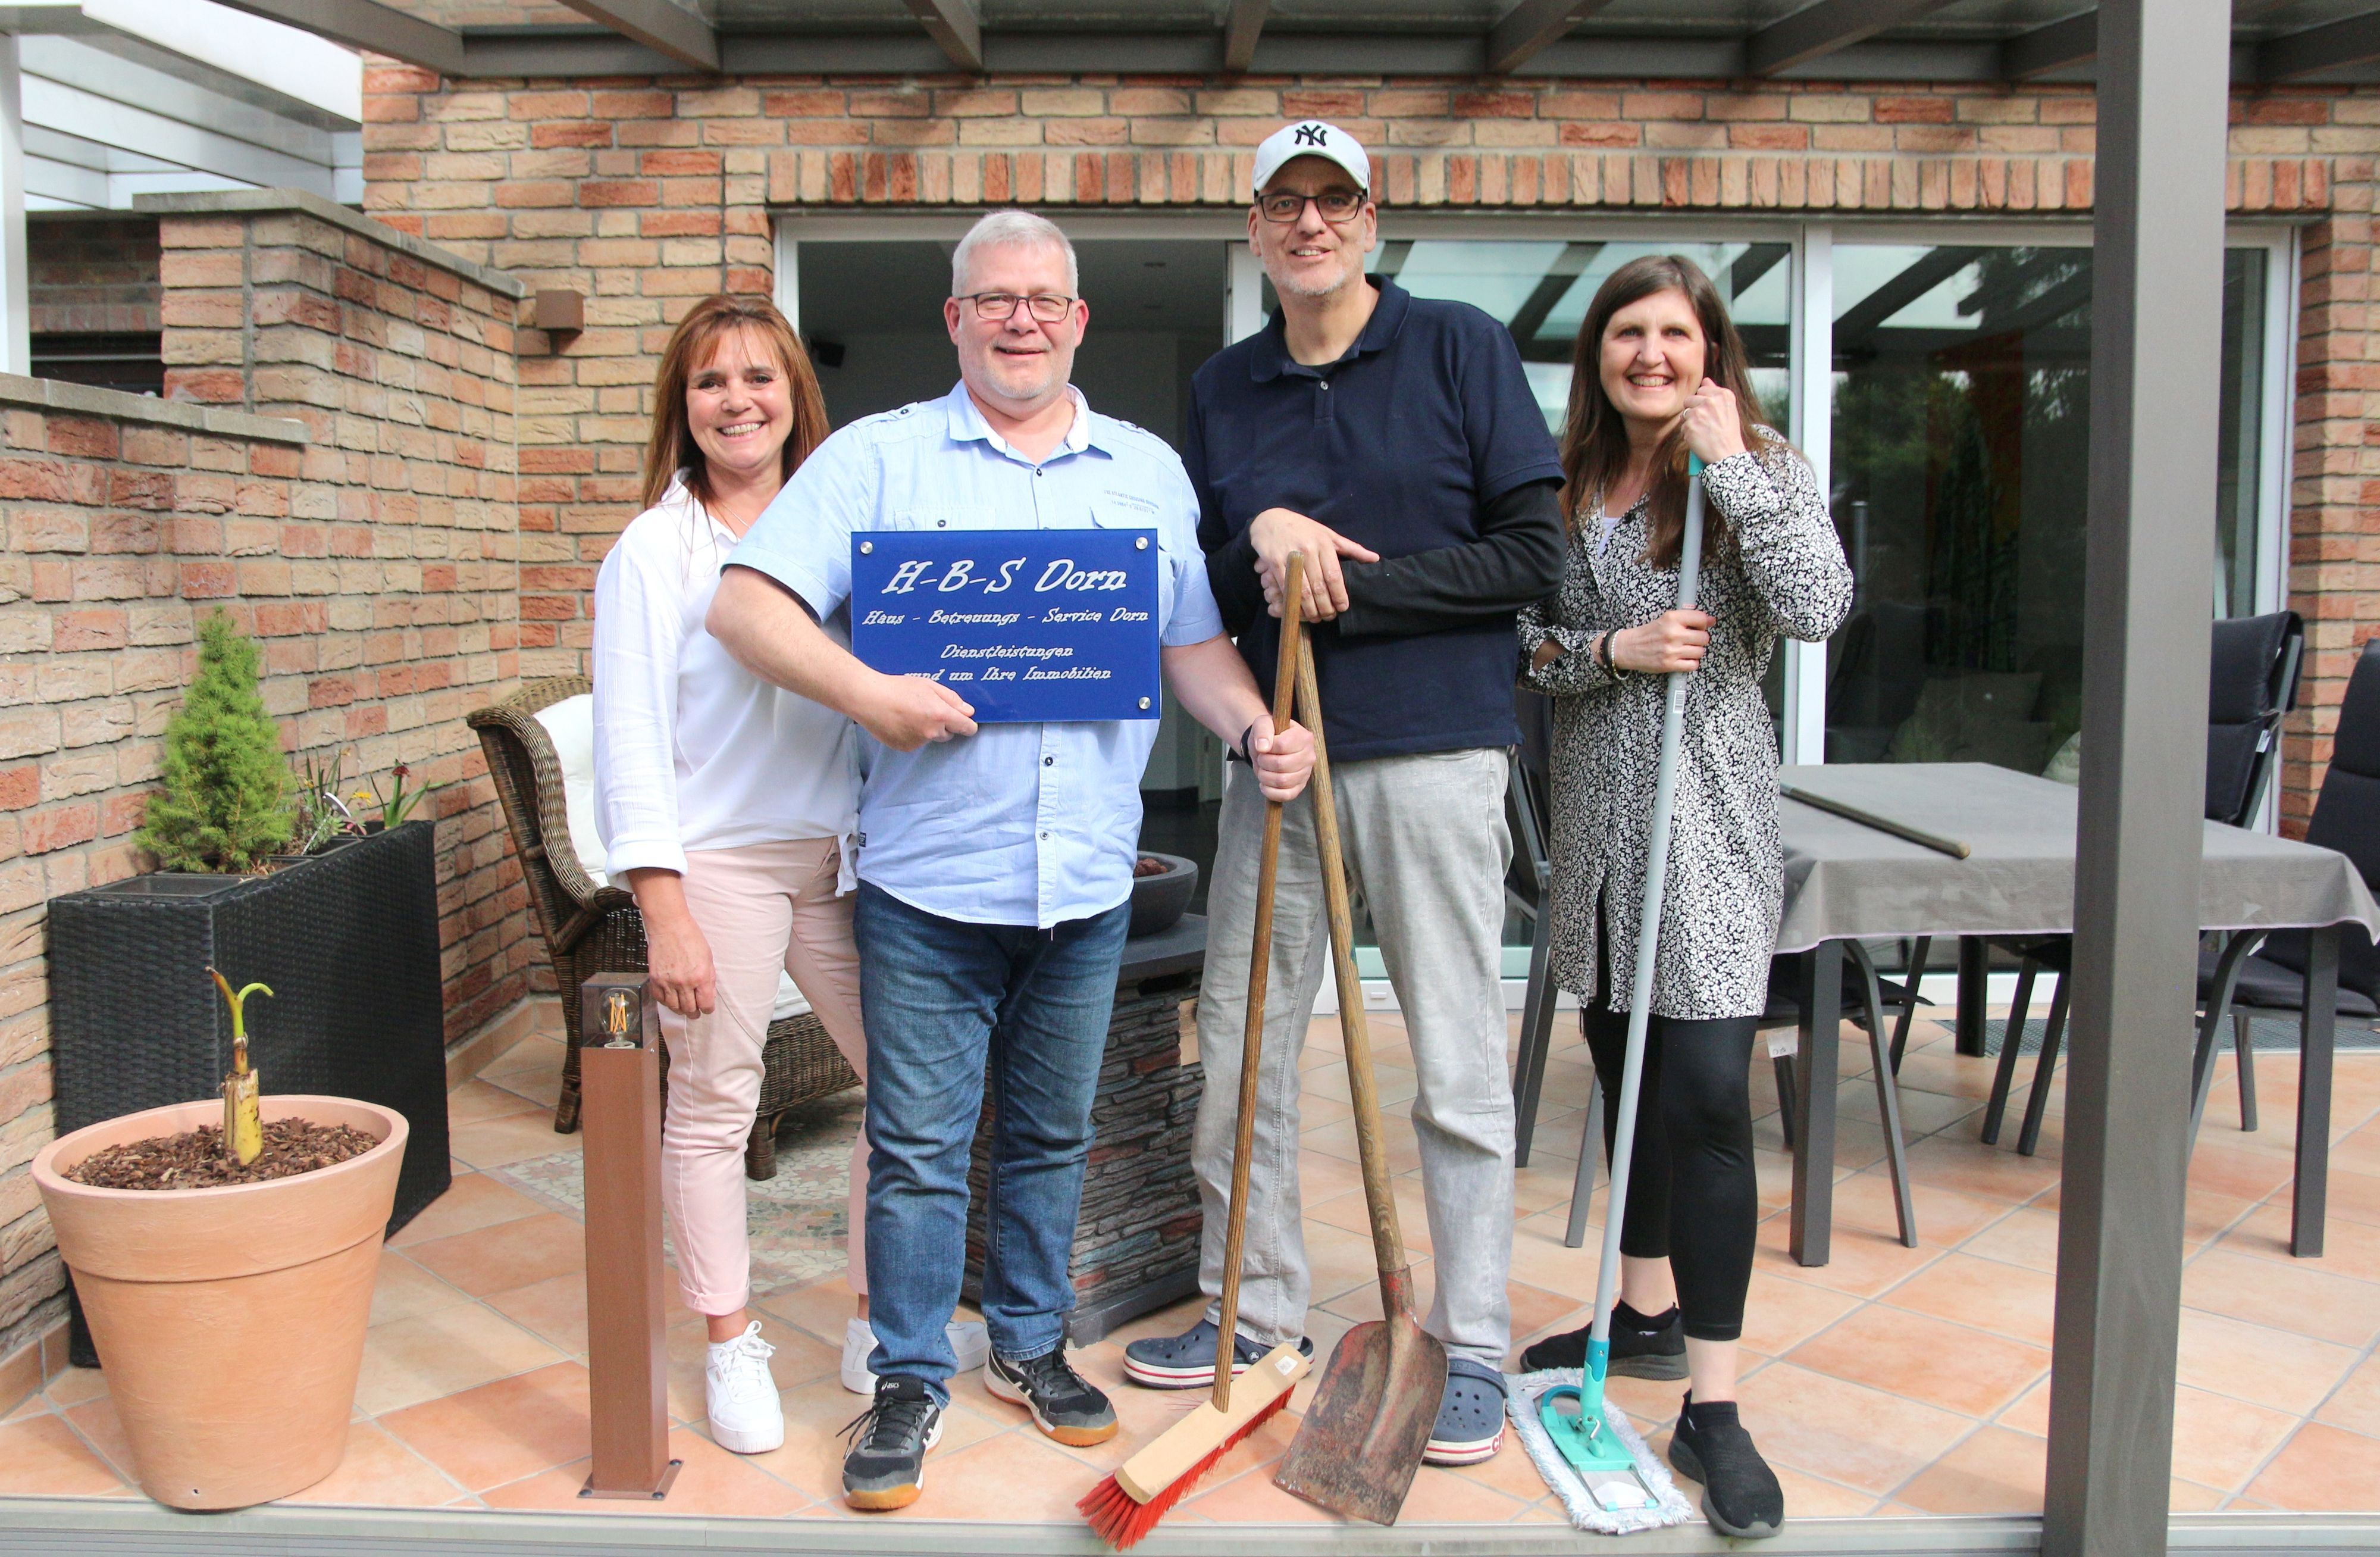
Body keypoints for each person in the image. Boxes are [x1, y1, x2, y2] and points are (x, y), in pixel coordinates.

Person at [705, 210, 1316, 1512]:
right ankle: (912, 1377)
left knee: (1046, 1135)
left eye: (1042, 298)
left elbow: (1185, 646)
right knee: (923, 1147)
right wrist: (869, 692)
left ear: (1077, 319)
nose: (1020, 319)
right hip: (932, 881)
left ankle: (1030, 1347)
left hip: (1087, 880)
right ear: (955, 320)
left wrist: (1256, 725)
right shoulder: (876, 460)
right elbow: (743, 606)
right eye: (993, 300)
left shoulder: (1142, 472)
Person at [1121, 120, 1567, 1468]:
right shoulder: (1224, 386)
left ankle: (1469, 1341)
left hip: (1435, 751)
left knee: (1449, 1058)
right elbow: (1202, 574)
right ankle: (1252, 1314)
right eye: (1281, 202)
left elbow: (1529, 559)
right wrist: (1256, 537)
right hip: (1279, 755)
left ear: (1370, 219)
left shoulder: (1457, 350)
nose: (1308, 222)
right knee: (1246, 1049)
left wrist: (1344, 582)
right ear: (1252, 228)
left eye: (1334, 199)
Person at [593, 296, 991, 1458]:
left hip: (848, 862)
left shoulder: (845, 531)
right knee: (715, 1108)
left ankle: (874, 1323)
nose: (738, 401)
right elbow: (626, 743)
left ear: (792, 399)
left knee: (909, 1094)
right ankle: (729, 1345)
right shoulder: (653, 551)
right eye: (712, 382)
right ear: (683, 404)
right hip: (719, 862)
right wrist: (660, 910)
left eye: (760, 379)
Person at [1515, 254, 1852, 1540]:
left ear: (1710, 350)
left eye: (1674, 333)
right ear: (1597, 352)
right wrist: (1611, 650)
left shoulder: (1760, 466)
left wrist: (1733, 472)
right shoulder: (1565, 489)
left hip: (1705, 830)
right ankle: (1644, 1310)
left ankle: (1711, 1407)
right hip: (1598, 836)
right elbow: (1526, 653)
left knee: (1706, 1098)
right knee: (1628, 1079)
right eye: (1626, 333)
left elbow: (1819, 606)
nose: (1649, 353)